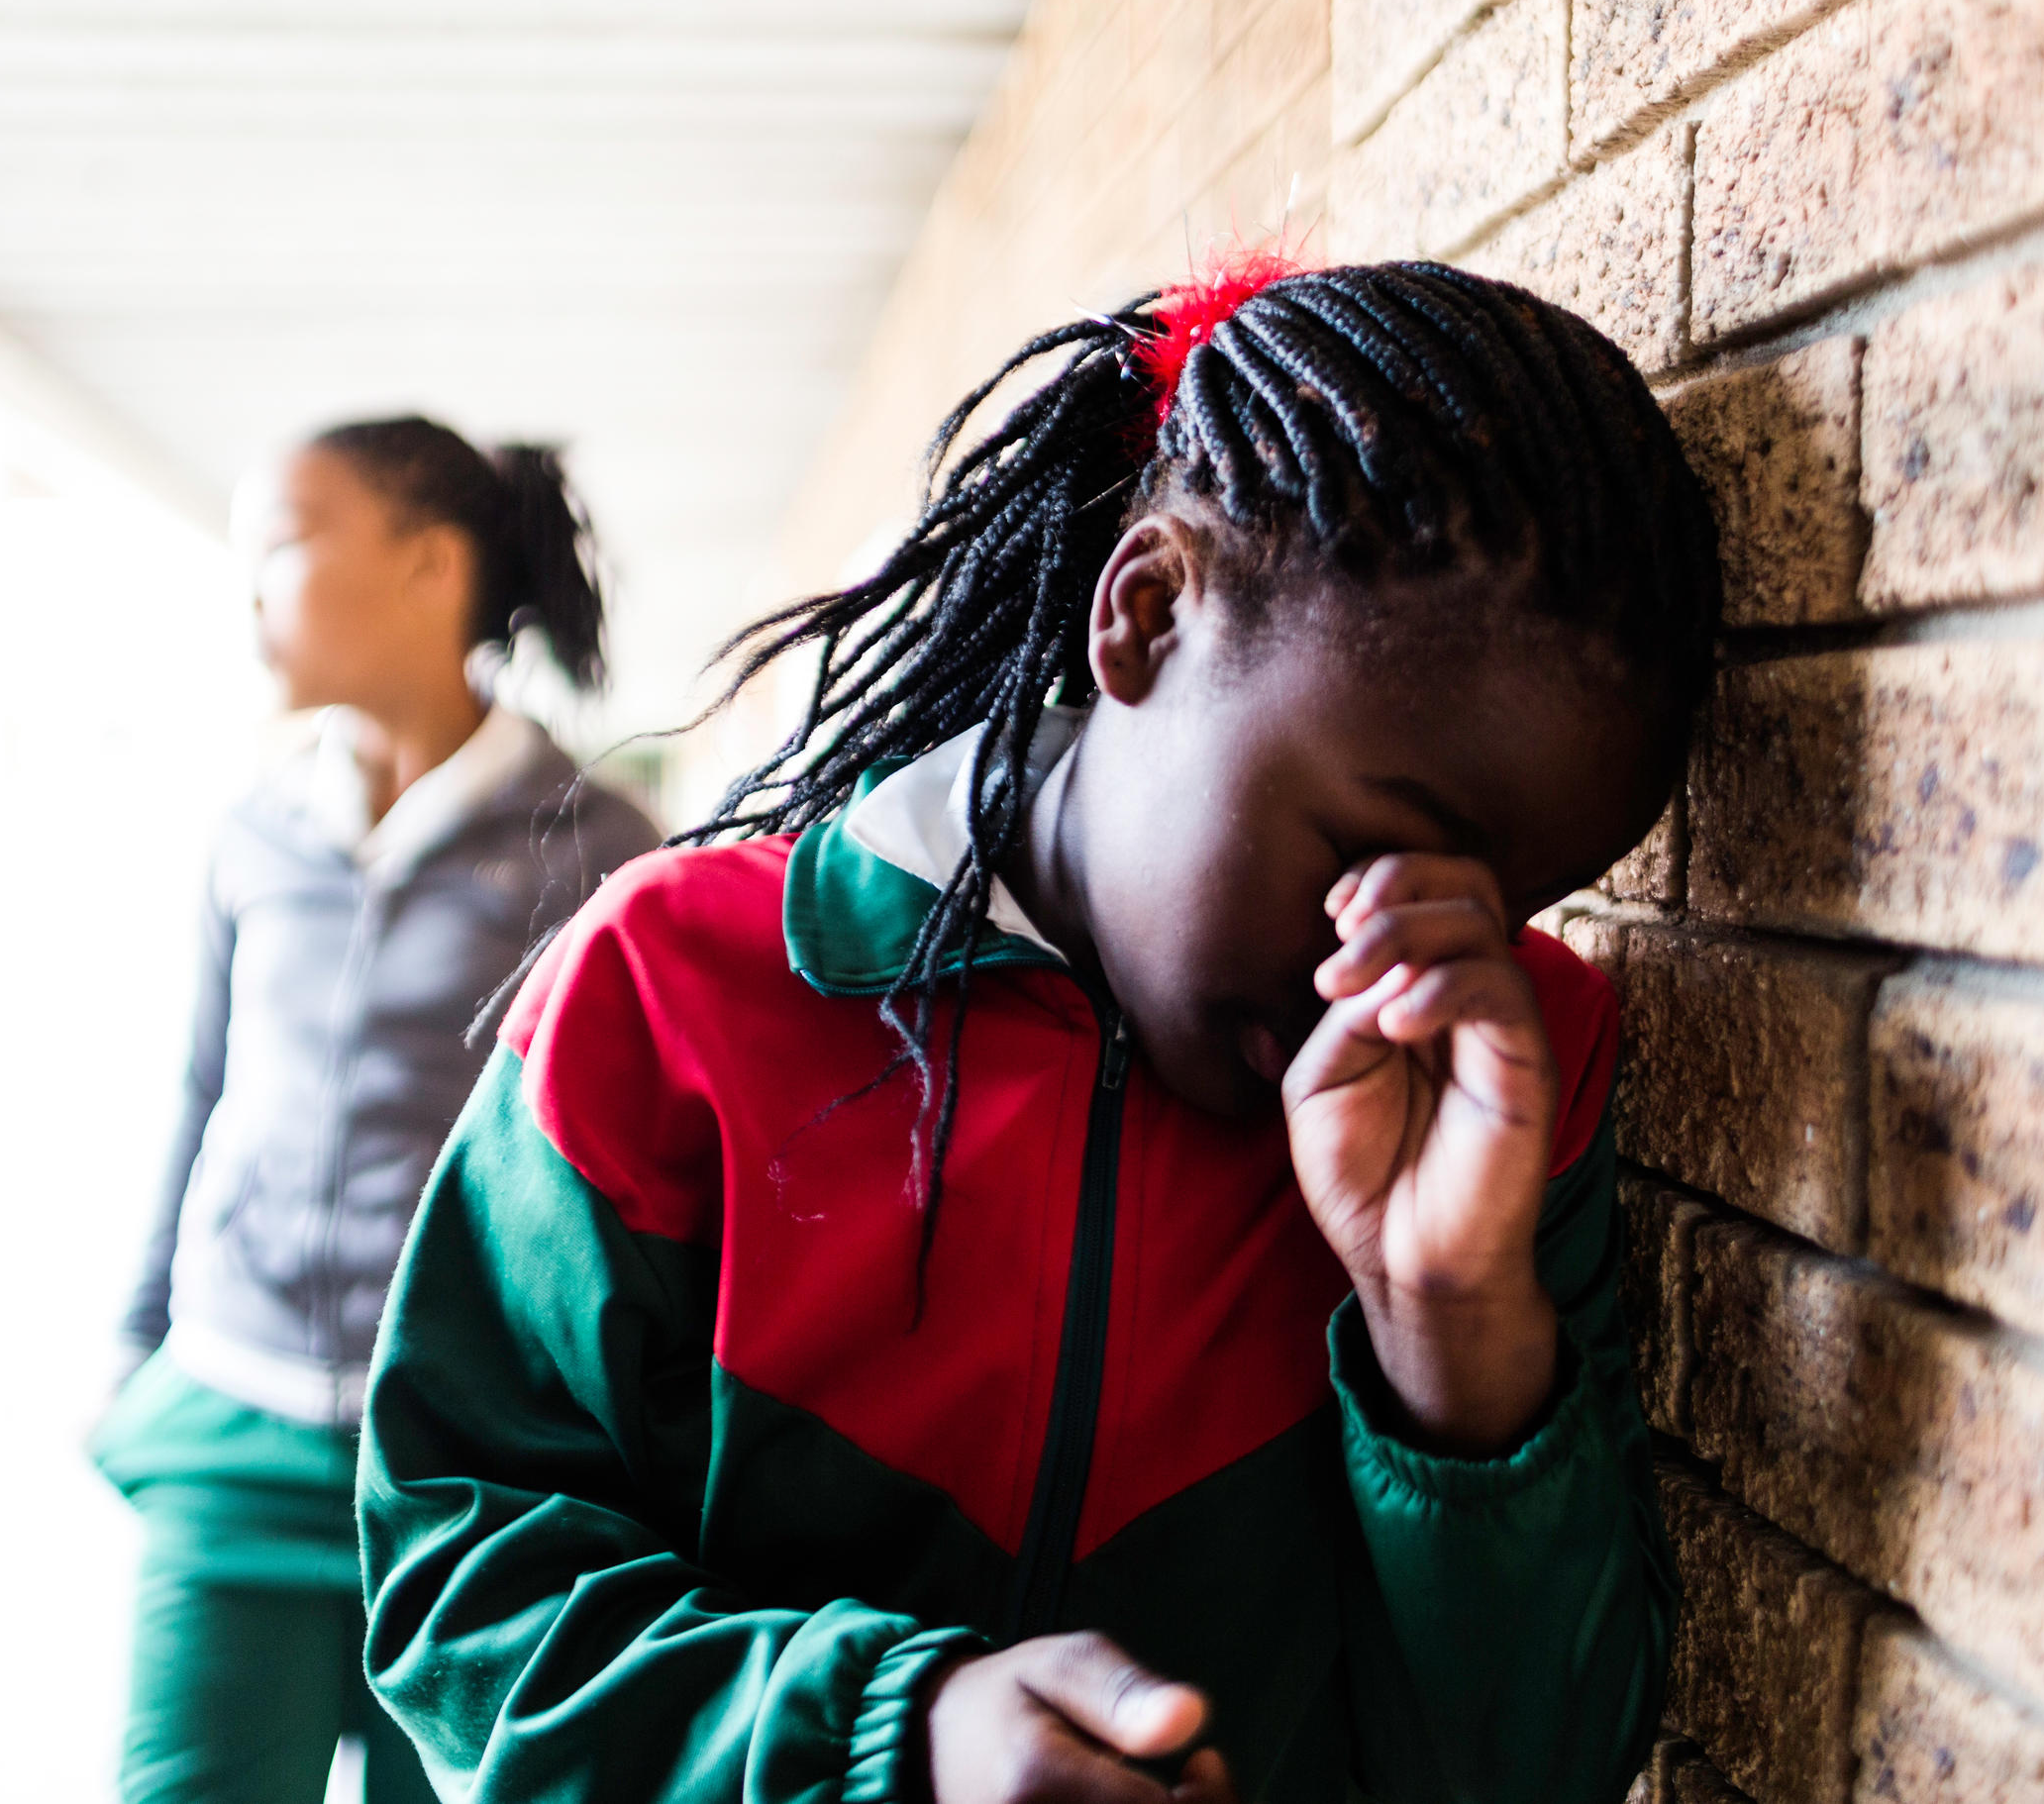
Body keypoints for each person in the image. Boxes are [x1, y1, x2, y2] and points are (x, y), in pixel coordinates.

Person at [358, 259, 1721, 1803]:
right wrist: (895, 1740)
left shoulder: (1508, 1090)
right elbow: (458, 1593)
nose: (1404, 973)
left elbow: (1543, 1771)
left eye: (1514, 907)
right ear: (1144, 615)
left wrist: (1452, 1327)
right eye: (1370, 851)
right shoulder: (680, 992)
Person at [94, 417, 659, 1804]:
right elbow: (204, 1090)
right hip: (235, 1436)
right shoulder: (257, 830)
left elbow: (646, 1170)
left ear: (427, 565)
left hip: (473, 1483)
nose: (251, 595)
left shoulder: (595, 845)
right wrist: (136, 1351)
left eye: (283, 546)